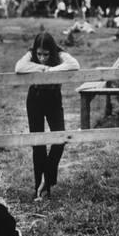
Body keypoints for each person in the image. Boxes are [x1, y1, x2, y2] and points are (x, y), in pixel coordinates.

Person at [15, 32, 80, 200]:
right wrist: (41, 68)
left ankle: (47, 178)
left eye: (46, 54)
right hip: (35, 98)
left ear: (51, 51)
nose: (42, 57)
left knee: (60, 138)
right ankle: (41, 190)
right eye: (39, 54)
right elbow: (19, 67)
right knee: (38, 144)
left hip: (53, 98)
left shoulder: (59, 53)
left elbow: (75, 64)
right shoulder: (31, 53)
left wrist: (51, 70)